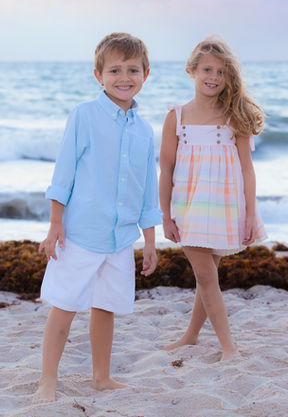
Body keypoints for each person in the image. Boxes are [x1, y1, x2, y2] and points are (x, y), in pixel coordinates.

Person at [34, 32, 161, 402]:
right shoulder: (84, 116)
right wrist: (56, 224)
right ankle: (47, 379)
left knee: (106, 307)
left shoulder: (145, 129)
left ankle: (101, 377)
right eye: (115, 70)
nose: (125, 77)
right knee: (65, 306)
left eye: (133, 70)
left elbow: (147, 187)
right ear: (98, 75)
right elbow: (65, 173)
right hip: (81, 233)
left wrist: (150, 239)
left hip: (121, 239)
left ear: (146, 74)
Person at [159, 36, 266, 361]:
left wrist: (250, 213)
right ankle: (229, 348)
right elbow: (166, 168)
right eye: (207, 69)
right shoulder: (176, 117)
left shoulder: (235, 115)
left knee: (209, 276)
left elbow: (247, 170)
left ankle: (191, 336)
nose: (214, 77)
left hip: (224, 205)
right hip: (189, 207)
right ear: (192, 70)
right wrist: (165, 215)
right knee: (206, 276)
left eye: (221, 72)